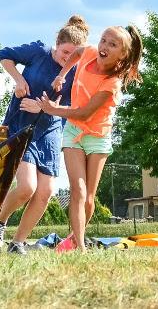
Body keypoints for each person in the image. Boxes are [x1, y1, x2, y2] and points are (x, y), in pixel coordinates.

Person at [0, 15, 89, 255]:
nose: (68, 59)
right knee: (27, 187)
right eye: (65, 52)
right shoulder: (38, 52)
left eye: (74, 56)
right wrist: (19, 79)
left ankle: (18, 242)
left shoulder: (76, 74)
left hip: (50, 132)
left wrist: (42, 107)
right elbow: (3, 55)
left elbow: (72, 107)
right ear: (57, 43)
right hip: (21, 127)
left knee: (45, 192)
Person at [38, 25, 143, 251]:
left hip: (98, 137)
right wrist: (61, 75)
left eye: (112, 45)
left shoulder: (112, 83)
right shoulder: (90, 53)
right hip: (74, 131)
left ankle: (74, 239)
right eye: (103, 40)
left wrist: (53, 109)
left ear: (122, 54)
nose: (104, 46)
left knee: (88, 198)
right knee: (78, 190)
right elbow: (77, 52)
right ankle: (80, 248)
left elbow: (85, 113)